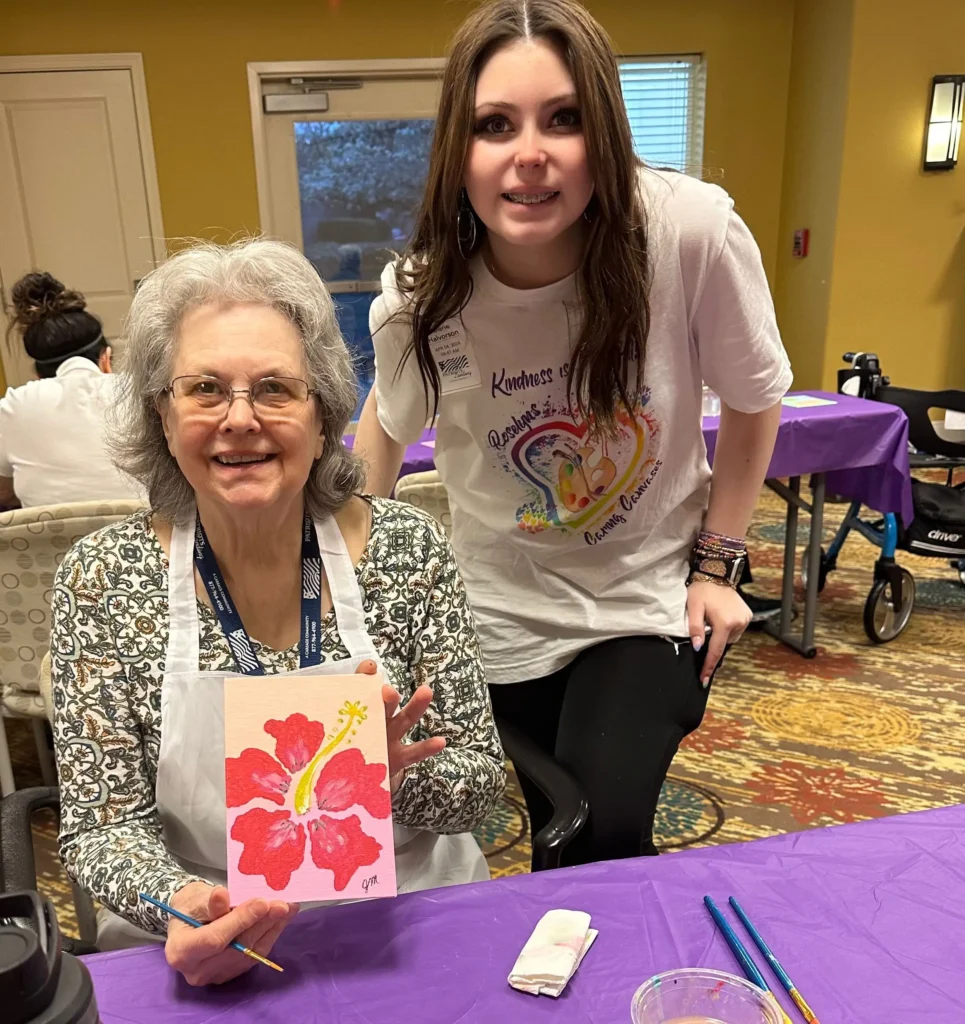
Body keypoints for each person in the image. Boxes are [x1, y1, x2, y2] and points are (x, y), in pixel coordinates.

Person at [355, 0, 792, 866]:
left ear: (605, 130)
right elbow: (383, 426)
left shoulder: (688, 233)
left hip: (642, 598)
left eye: (563, 119)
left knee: (597, 829)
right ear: (458, 149)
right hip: (493, 609)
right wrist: (354, 591)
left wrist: (718, 564)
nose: (529, 155)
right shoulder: (422, 294)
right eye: (493, 125)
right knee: (552, 819)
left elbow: (755, 396)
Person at [50, 238, 505, 986]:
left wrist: (387, 781)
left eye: (273, 389)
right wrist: (189, 904)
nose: (238, 419)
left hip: (404, 915)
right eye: (203, 389)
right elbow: (104, 828)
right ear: (162, 416)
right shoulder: (102, 579)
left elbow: (480, 783)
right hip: (204, 929)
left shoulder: (404, 548)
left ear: (322, 415)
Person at [0, 272, 142, 508]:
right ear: (106, 359)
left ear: (39, 375)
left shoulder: (13, 405)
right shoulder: (139, 392)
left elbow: (3, 494)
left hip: (49, 543)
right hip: (147, 540)